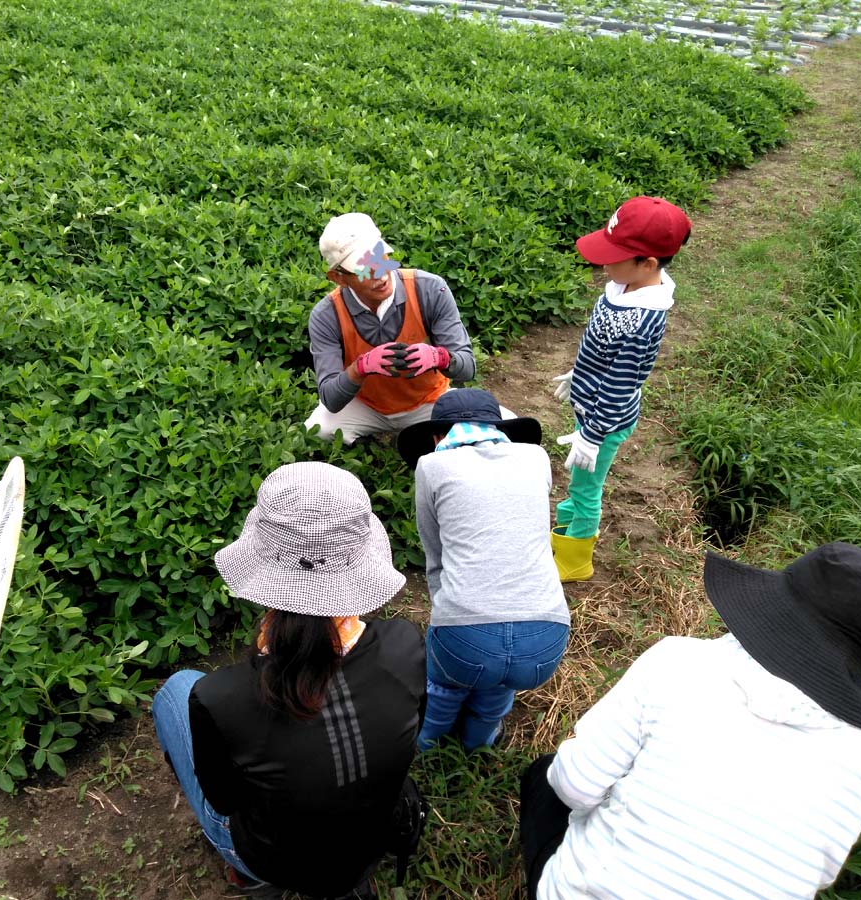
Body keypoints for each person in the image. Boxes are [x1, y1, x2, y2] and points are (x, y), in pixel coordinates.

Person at [520, 542, 861, 900]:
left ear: (779, 604)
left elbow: (574, 787)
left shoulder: (682, 662)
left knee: (546, 775)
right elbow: (821, 874)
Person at [151, 462, 426, 898]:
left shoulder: (220, 697)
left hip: (272, 855)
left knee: (175, 691)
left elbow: (224, 799)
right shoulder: (404, 645)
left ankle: (250, 873)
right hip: (372, 840)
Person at [396, 389, 569, 751]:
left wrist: (449, 615)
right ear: (498, 428)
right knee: (501, 679)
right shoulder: (535, 458)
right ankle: (481, 739)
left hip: (465, 641)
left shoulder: (431, 466)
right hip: (546, 640)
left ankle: (428, 741)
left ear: (436, 436)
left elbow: (435, 553)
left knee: (448, 676)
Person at [549, 196, 692, 581]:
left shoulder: (643, 320)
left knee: (586, 489)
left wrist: (593, 436)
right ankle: (562, 530)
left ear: (647, 263)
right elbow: (600, 349)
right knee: (579, 483)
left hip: (605, 419)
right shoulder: (623, 288)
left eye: (614, 256)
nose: (603, 263)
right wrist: (577, 373)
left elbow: (620, 382)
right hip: (591, 406)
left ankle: (574, 559)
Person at [305, 212, 479, 443]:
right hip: (366, 406)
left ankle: (416, 437)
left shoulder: (430, 289)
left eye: (380, 257)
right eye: (362, 268)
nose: (379, 274)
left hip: (429, 401)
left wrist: (441, 358)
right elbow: (329, 397)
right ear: (338, 278)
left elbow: (468, 367)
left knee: (495, 420)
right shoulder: (326, 315)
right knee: (317, 430)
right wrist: (360, 369)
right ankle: (372, 446)